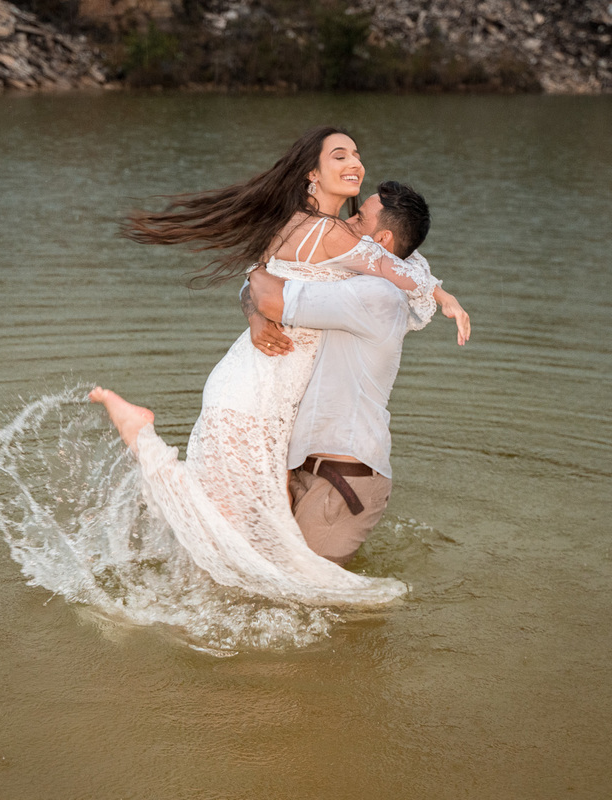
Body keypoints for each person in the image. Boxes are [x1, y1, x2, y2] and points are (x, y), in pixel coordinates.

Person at [90, 126, 464, 607]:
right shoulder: (331, 236)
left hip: (283, 404)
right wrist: (442, 295)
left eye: (355, 154)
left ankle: (150, 477)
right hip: (258, 387)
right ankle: (142, 440)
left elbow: (396, 265)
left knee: (238, 542)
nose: (355, 164)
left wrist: (440, 292)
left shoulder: (340, 248)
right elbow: (388, 269)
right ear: (312, 173)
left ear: (382, 235)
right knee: (223, 528)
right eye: (340, 155)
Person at [243, 180, 465, 566]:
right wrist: (254, 316)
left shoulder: (376, 296)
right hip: (310, 470)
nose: (345, 223)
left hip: (342, 480)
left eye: (359, 217)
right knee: (271, 584)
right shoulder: (349, 278)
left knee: (306, 592)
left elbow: (268, 295)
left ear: (382, 239)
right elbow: (262, 294)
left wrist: (257, 267)